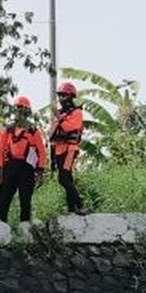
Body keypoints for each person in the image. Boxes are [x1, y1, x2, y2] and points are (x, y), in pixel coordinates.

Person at [0, 95, 47, 224]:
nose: (20, 112)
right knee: (3, 200)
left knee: (25, 201)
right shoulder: (7, 129)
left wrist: (40, 173)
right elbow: (0, 150)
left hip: (27, 169)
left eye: (23, 109)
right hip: (10, 167)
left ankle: (25, 229)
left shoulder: (33, 131)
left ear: (27, 112)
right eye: (18, 109)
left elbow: (42, 152)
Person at [49, 82, 87, 215]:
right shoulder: (59, 114)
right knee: (67, 179)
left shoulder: (77, 112)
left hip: (70, 149)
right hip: (58, 150)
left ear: (71, 96)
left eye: (64, 95)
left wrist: (59, 118)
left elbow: (69, 128)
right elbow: (53, 136)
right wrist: (52, 159)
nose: (61, 98)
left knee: (63, 179)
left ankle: (80, 204)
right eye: (60, 95)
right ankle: (72, 209)